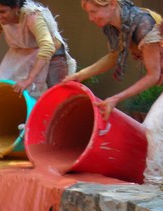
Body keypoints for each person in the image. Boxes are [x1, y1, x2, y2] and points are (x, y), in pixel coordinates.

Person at [64, 0, 162, 186]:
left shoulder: (143, 24)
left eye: (94, 12)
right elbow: (113, 56)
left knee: (152, 126)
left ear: (111, 4)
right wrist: (79, 75)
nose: (91, 18)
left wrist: (115, 98)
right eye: (88, 13)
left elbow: (153, 75)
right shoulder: (115, 27)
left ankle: (153, 187)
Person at [0, 0, 76, 98]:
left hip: (51, 53)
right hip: (22, 51)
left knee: (55, 95)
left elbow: (47, 46)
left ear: (16, 7)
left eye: (2, 12)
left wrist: (29, 79)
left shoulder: (32, 15)